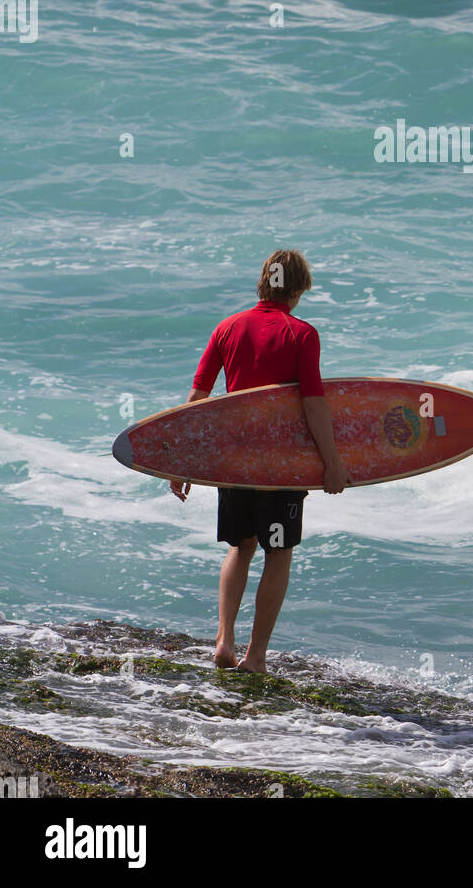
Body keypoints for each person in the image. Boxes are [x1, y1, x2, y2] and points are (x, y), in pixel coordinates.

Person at [170, 249, 352, 672]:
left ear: (262, 282)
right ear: (300, 287)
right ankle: (254, 657)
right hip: (280, 469)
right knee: (278, 551)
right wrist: (332, 461)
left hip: (235, 464)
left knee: (240, 547)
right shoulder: (302, 334)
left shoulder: (227, 327)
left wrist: (179, 462)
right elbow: (313, 403)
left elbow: (198, 399)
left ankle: (224, 640)